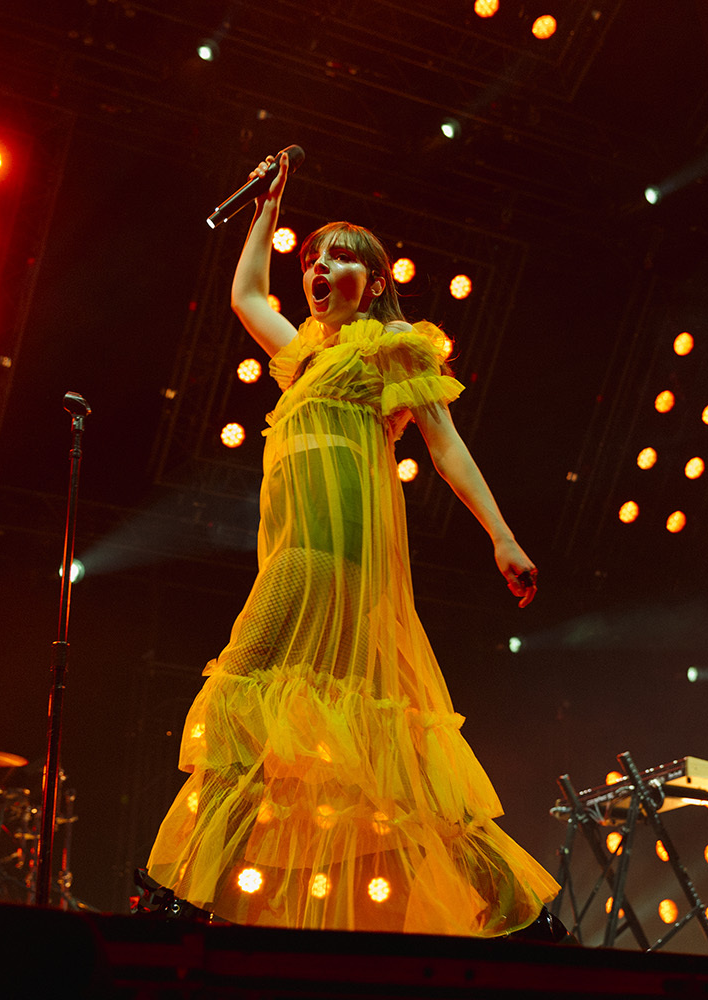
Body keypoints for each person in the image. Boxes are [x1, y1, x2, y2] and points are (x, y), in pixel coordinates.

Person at [146, 151, 558, 935]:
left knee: (242, 686)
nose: (320, 268)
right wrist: (269, 207)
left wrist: (501, 535)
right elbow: (244, 294)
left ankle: (185, 895)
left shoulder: (389, 342)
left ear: (372, 282)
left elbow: (445, 444)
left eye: (341, 259)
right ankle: (513, 902)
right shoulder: (303, 356)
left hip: (329, 553)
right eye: (313, 258)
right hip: (303, 552)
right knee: (386, 738)